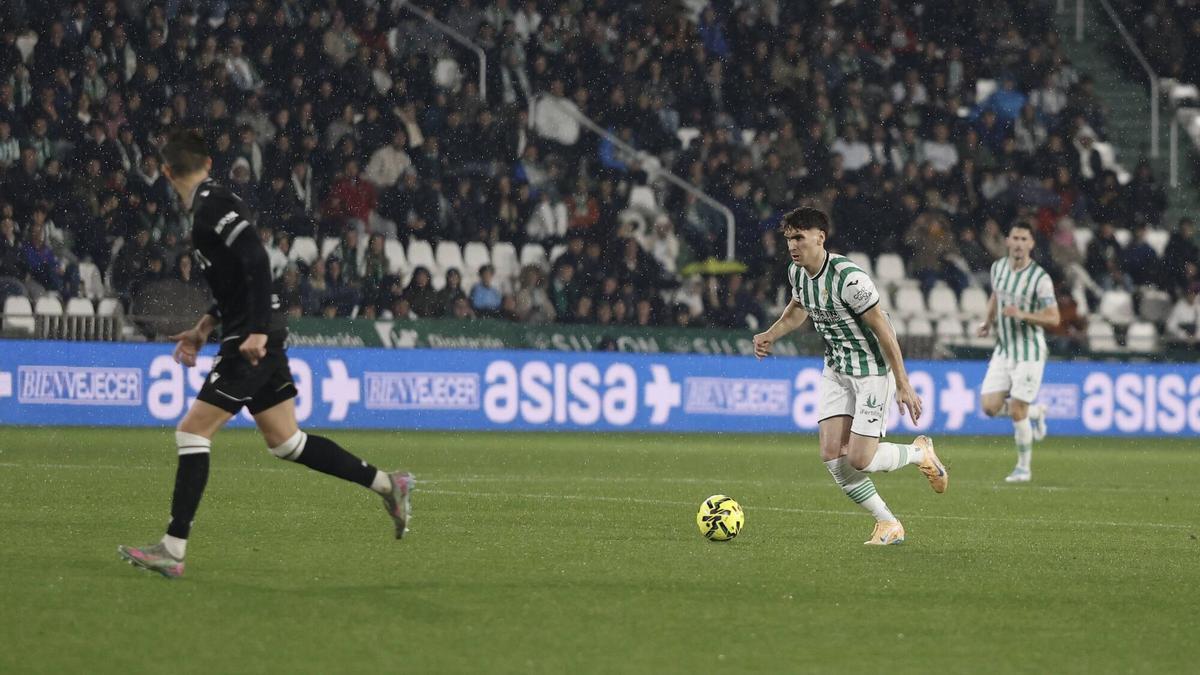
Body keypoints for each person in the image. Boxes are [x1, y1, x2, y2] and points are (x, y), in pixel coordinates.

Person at [117, 129, 414, 579]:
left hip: (253, 335)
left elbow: (257, 261)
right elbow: (235, 276)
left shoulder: (211, 205)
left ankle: (173, 550)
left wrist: (254, 331)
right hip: (256, 329)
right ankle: (389, 484)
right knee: (287, 442)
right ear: (208, 163)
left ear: (164, 171)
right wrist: (202, 329)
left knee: (192, 433)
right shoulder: (210, 204)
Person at [753, 206, 948, 546]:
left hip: (871, 370)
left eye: (799, 238)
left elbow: (883, 327)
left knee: (860, 459)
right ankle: (888, 524)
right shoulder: (797, 273)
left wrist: (902, 382)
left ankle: (920, 454)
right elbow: (799, 308)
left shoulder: (849, 278)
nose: (793, 246)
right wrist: (771, 333)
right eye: (788, 239)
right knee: (832, 455)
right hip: (836, 368)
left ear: (820, 237)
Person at [975, 222, 1060, 483]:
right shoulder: (998, 268)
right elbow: (995, 296)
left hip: (1029, 352)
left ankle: (1024, 468)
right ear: (1008, 241)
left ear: (1032, 244)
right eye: (1015, 238)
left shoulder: (1040, 278)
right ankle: (1037, 413)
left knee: (1017, 409)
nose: (1019, 243)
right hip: (1004, 349)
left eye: (1025, 238)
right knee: (989, 407)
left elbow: (1054, 318)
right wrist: (988, 321)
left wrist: (1021, 314)